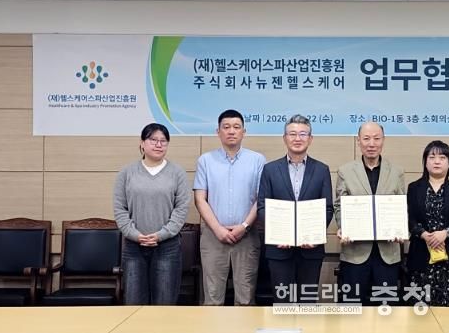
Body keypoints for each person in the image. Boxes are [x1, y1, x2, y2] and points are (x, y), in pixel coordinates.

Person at [257, 114, 333, 303]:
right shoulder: (270, 169)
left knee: (307, 302)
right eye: (292, 134)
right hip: (279, 249)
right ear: (284, 138)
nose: (297, 138)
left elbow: (327, 208)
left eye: (302, 134)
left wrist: (313, 235)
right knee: (282, 303)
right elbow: (262, 206)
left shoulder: (322, 170)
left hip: (311, 250)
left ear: (310, 138)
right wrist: (278, 233)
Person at [113, 123, 191, 305]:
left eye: (163, 141)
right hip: (134, 246)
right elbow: (120, 209)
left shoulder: (177, 173)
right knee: (134, 302)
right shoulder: (126, 173)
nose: (158, 144)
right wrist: (135, 235)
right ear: (142, 143)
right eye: (153, 140)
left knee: (164, 302)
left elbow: (181, 209)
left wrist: (161, 234)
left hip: (168, 246)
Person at [194, 109, 266, 305]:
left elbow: (261, 199)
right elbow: (200, 199)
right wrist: (218, 229)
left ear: (244, 131)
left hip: (247, 236)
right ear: (218, 131)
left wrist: (244, 226)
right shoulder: (205, 160)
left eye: (236, 127)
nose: (231, 131)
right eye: (226, 127)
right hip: (213, 236)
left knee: (245, 298)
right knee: (212, 297)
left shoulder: (258, 160)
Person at [334, 122, 406, 304]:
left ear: (383, 140)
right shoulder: (345, 171)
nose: (371, 143)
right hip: (355, 252)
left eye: (376, 138)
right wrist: (344, 226)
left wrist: (400, 229)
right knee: (352, 306)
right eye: (366, 138)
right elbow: (339, 205)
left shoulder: (396, 172)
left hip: (388, 253)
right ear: (358, 141)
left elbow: (401, 206)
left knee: (386, 307)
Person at [407, 140, 449, 307]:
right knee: (423, 309)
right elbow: (409, 218)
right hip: (423, 256)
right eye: (432, 157)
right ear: (425, 162)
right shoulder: (414, 187)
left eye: (442, 157)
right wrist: (424, 234)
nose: (437, 161)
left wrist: (446, 233)